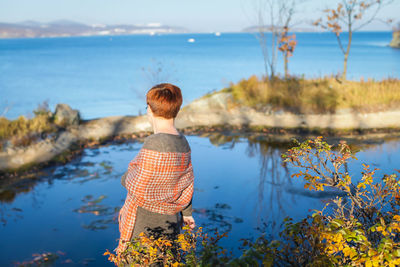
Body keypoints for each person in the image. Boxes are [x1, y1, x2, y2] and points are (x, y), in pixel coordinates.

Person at [117, 83, 195, 254]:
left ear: (149, 110)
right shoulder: (183, 141)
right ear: (176, 110)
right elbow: (187, 181)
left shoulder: (154, 143)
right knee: (168, 259)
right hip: (171, 219)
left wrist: (124, 178)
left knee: (140, 261)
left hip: (144, 221)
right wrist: (187, 213)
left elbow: (137, 184)